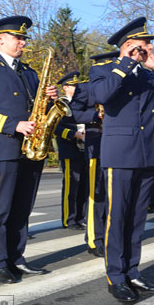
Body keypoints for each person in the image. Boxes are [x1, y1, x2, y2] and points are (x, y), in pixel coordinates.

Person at [88, 17, 154, 302]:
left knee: (137, 220)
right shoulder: (104, 70)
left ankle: (132, 271)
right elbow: (102, 95)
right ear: (130, 45)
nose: (149, 50)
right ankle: (116, 276)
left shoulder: (149, 74)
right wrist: (126, 63)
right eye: (145, 45)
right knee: (117, 217)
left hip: (149, 153)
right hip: (120, 154)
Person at [0, 15, 56, 284]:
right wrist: (13, 126)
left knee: (22, 209)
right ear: (1, 39)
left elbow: (36, 107)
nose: (23, 42)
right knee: (0, 209)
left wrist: (50, 100)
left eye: (24, 38)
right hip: (2, 147)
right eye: (18, 38)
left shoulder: (29, 71)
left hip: (30, 149)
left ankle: (17, 257)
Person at [71, 51, 119, 258]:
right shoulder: (85, 87)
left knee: (114, 195)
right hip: (96, 143)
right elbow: (73, 112)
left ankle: (111, 235)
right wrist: (95, 115)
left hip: (118, 144)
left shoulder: (120, 83)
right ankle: (94, 238)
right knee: (96, 195)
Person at [54, 71, 88, 231]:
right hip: (69, 148)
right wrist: (74, 134)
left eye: (78, 85)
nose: (77, 88)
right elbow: (56, 127)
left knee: (83, 186)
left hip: (83, 149)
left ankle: (81, 217)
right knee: (71, 185)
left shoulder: (81, 103)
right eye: (74, 86)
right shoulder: (61, 103)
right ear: (65, 87)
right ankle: (69, 219)